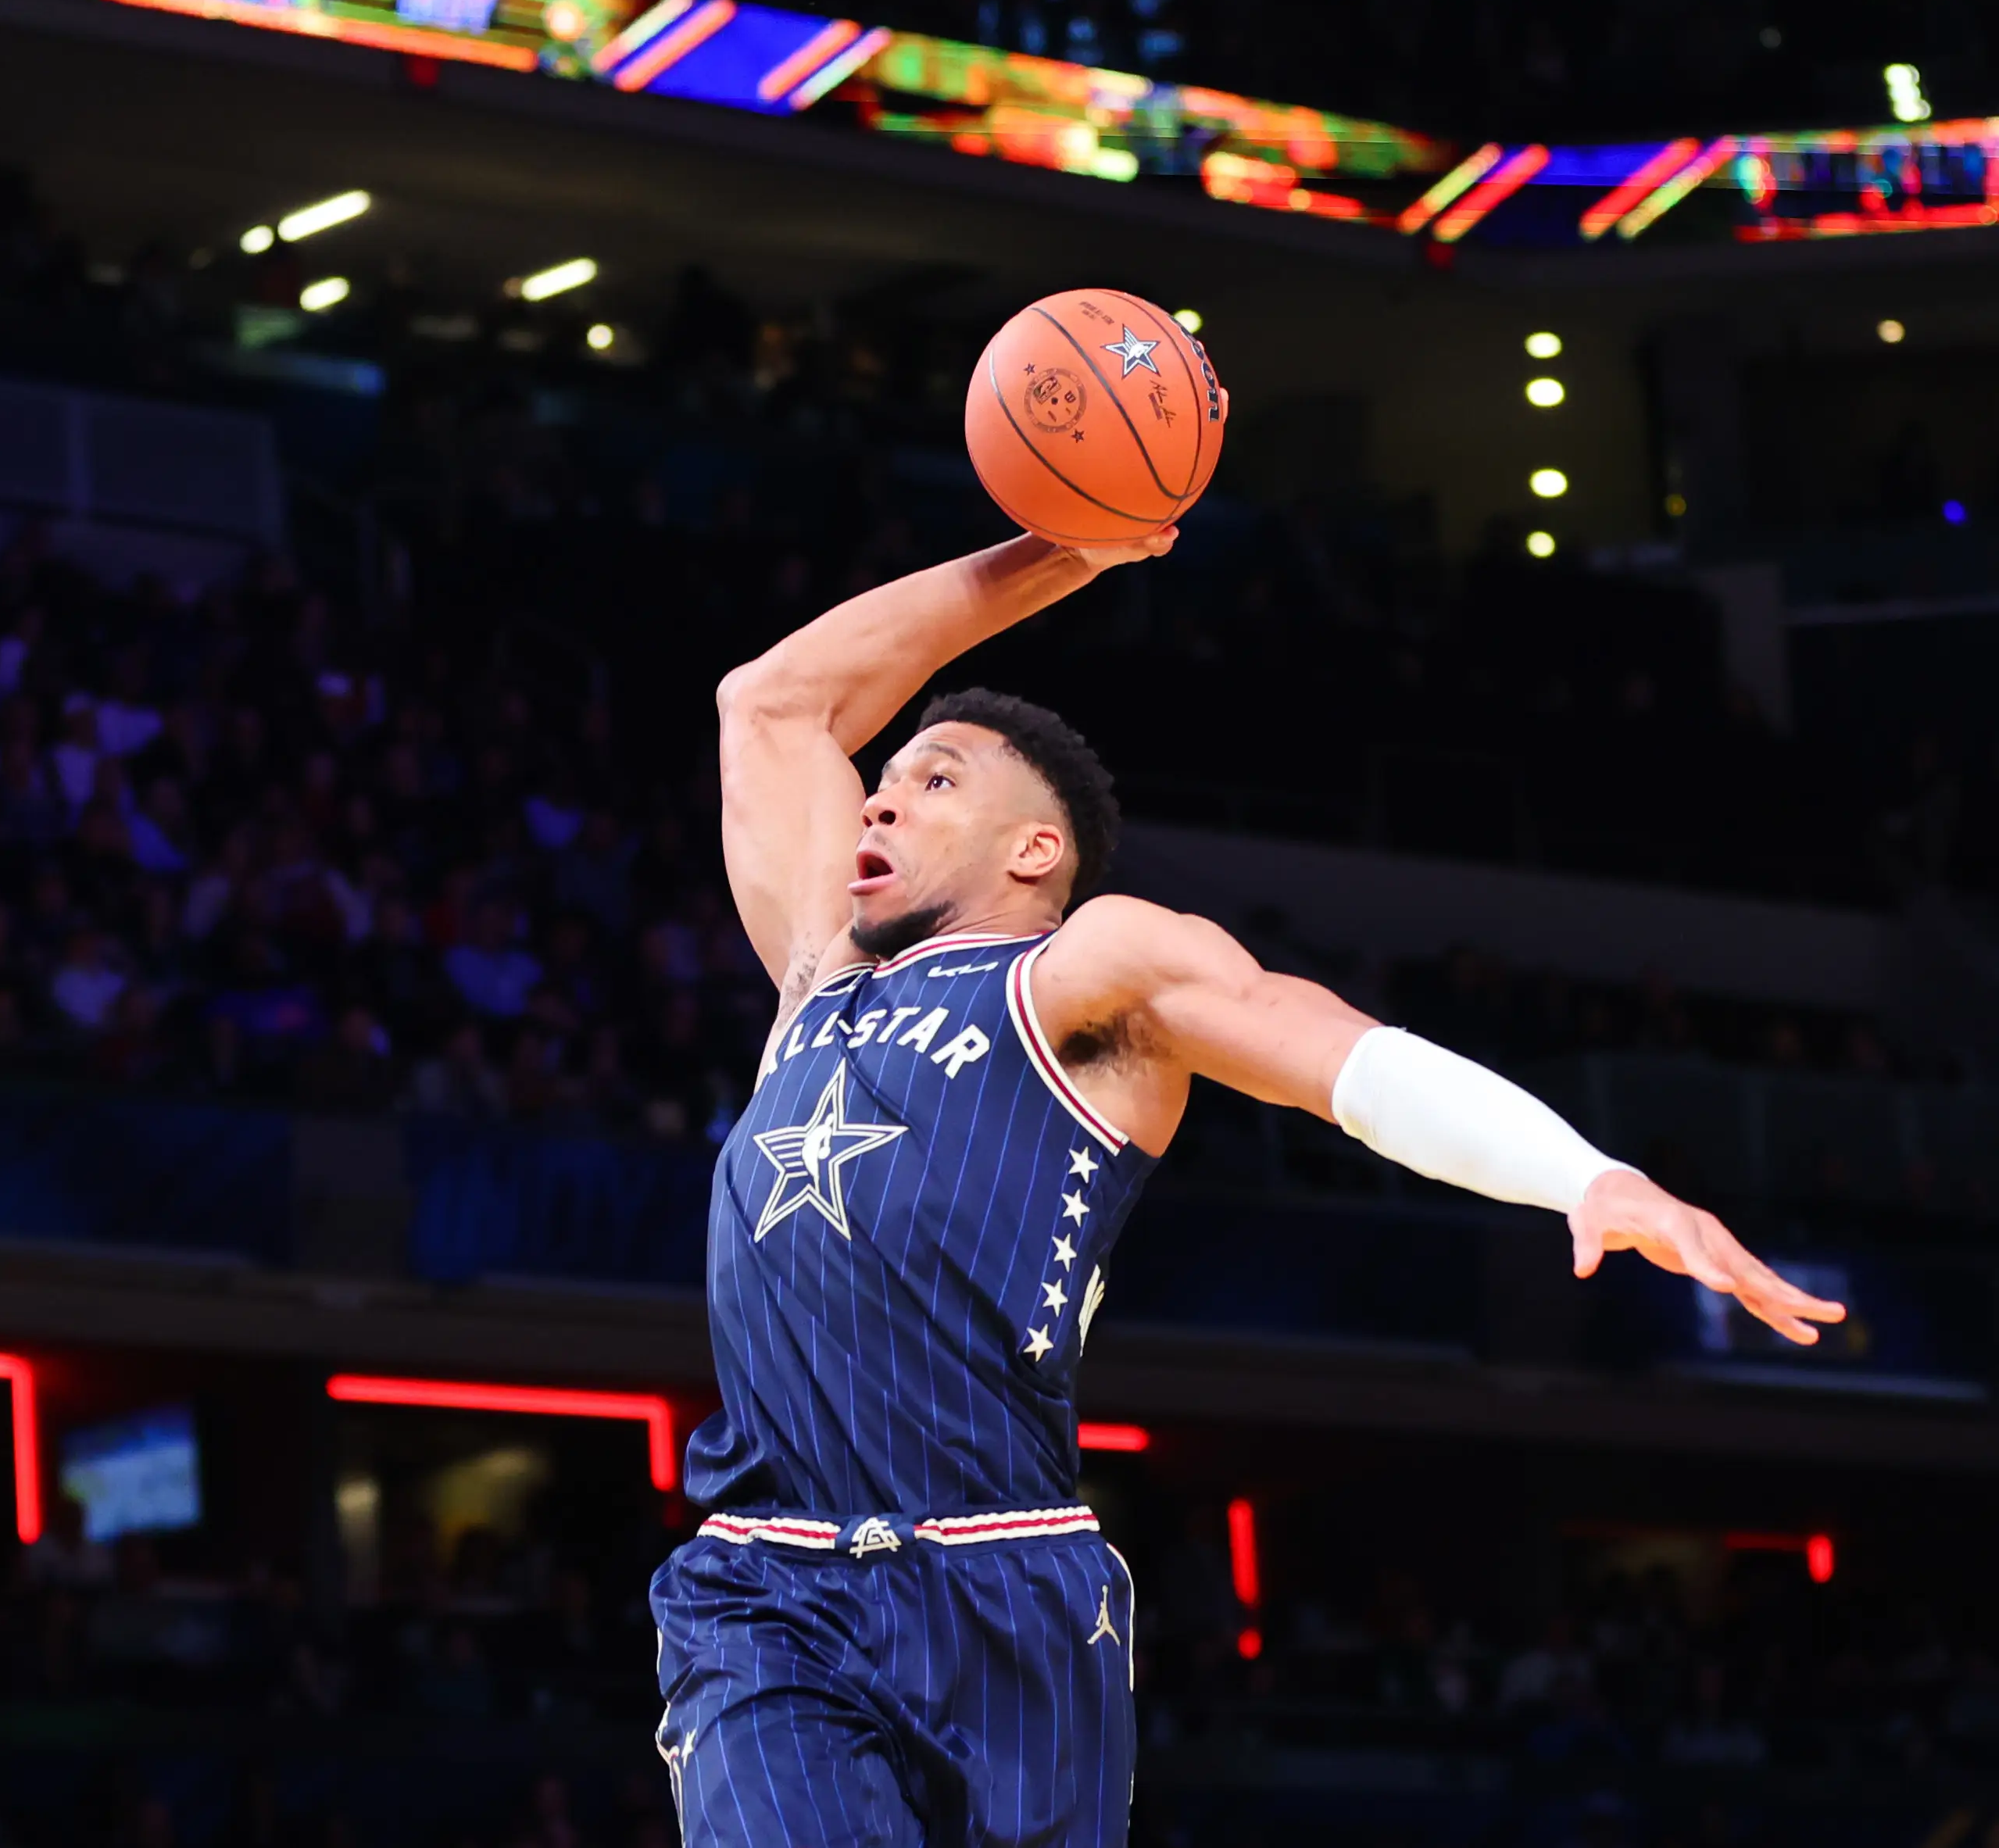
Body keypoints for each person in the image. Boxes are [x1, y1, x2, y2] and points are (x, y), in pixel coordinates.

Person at [647, 527, 1846, 1848]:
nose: (875, 799)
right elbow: (771, 701)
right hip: (766, 1580)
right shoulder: (818, 975)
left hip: (1007, 1575)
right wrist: (1065, 545)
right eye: (879, 784)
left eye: (929, 781)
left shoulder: (1080, 972)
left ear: (1034, 851)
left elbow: (1319, 1043)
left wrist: (1580, 1171)